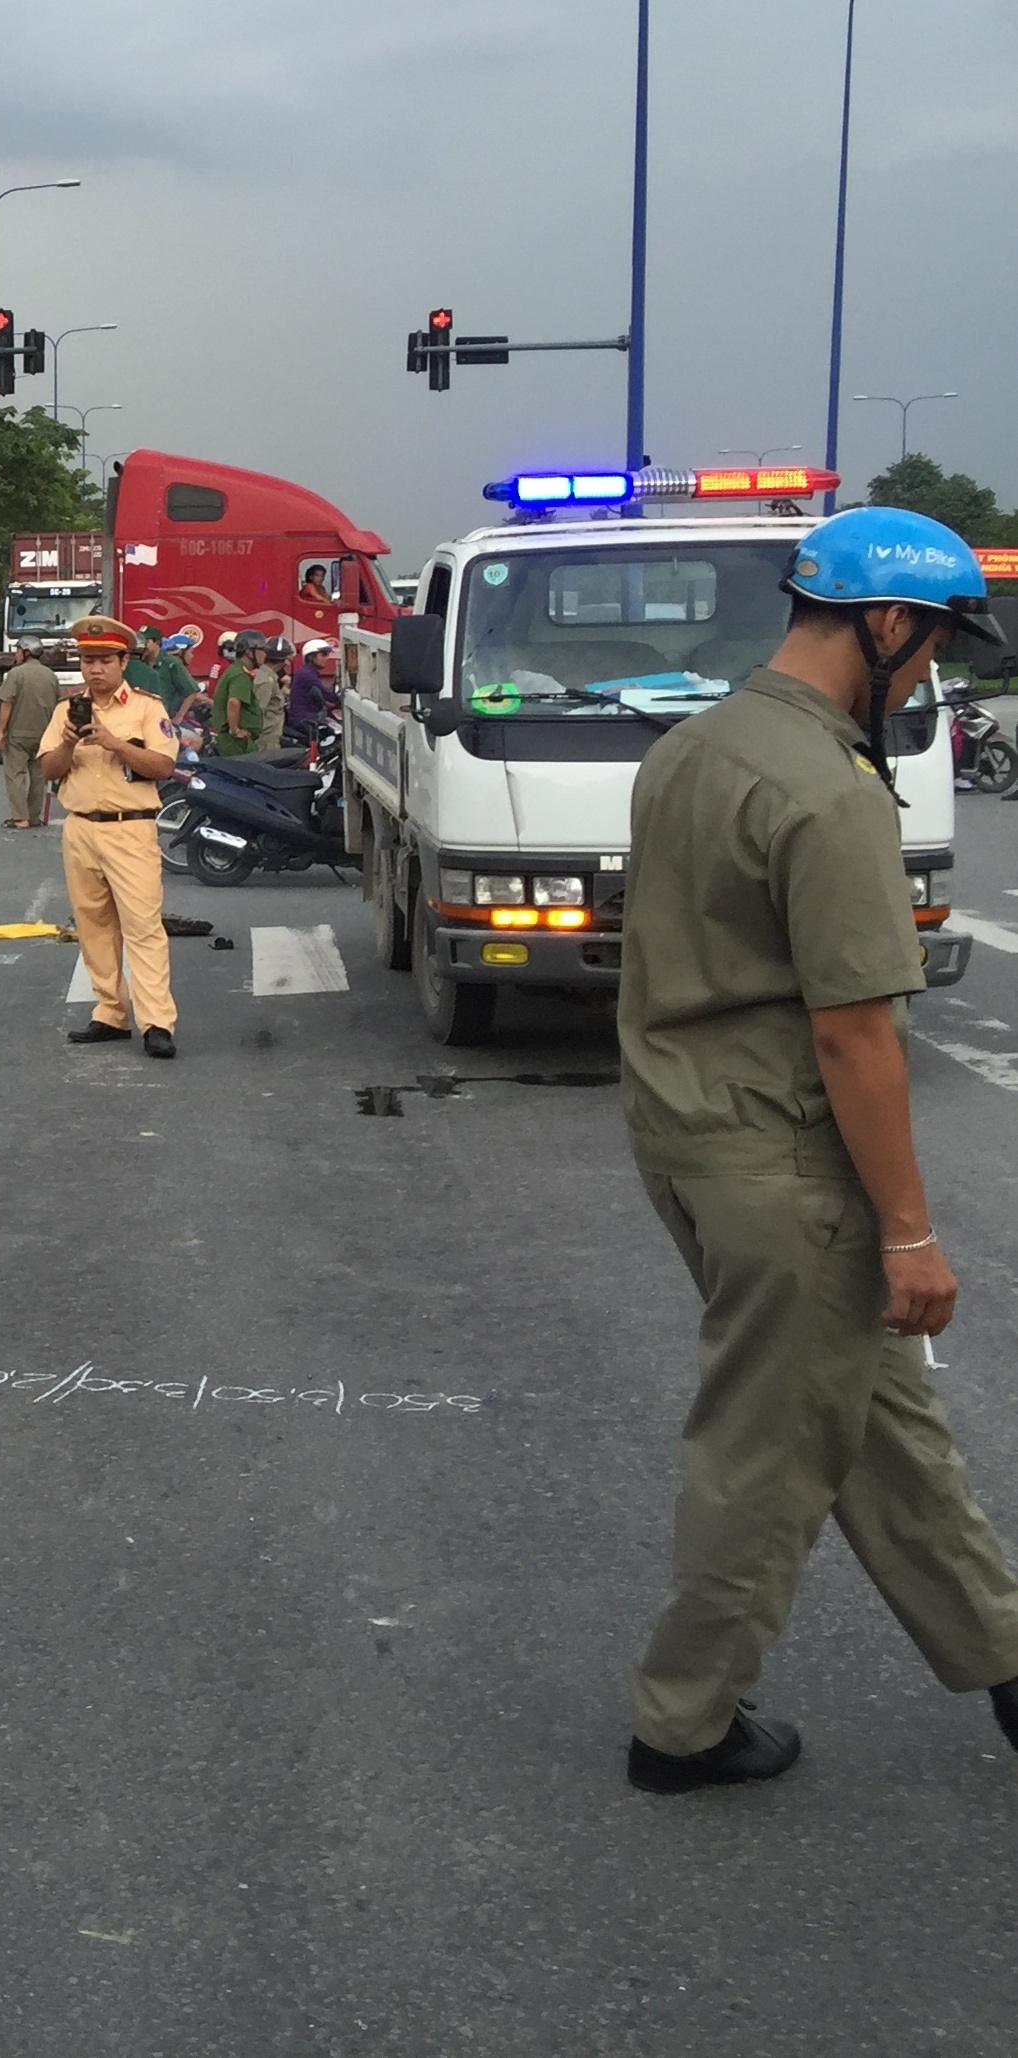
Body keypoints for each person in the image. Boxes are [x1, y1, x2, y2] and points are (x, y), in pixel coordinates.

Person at [614, 506, 1018, 1793]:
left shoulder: (693, 746)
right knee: (771, 1447)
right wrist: (908, 1232)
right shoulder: (825, 792)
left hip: (686, 1131)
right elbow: (855, 1038)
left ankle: (1004, 1659)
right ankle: (681, 1724)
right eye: (937, 642)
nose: (934, 670)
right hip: (782, 1161)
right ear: (885, 624)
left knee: (882, 1420)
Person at [39, 616, 178, 1059]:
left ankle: (156, 1022)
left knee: (142, 926)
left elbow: (162, 767)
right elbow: (48, 770)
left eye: (104, 660)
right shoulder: (67, 710)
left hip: (130, 827)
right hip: (80, 827)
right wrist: (68, 744)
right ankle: (110, 1013)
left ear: (123, 661)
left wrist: (116, 743)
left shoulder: (146, 707)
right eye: (87, 660)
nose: (94, 669)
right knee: (94, 926)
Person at [0, 641, 63, 829]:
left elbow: (6, 702)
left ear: (27, 652)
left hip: (18, 734)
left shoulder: (16, 674)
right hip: (43, 734)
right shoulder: (50, 676)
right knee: (39, 775)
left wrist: (1, 730)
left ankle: (20, 818)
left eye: (18, 650)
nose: (16, 654)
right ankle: (33, 817)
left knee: (15, 775)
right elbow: (58, 704)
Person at [213, 635, 285, 755]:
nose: (265, 655)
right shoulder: (240, 675)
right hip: (236, 744)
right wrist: (235, 730)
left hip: (238, 742)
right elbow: (233, 702)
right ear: (249, 652)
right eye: (261, 650)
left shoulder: (238, 671)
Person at [285, 638, 337, 739]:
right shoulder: (308, 675)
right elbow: (327, 695)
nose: (327, 658)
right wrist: (341, 697)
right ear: (311, 657)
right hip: (304, 720)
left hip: (304, 718)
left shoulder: (307, 672)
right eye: (323, 654)